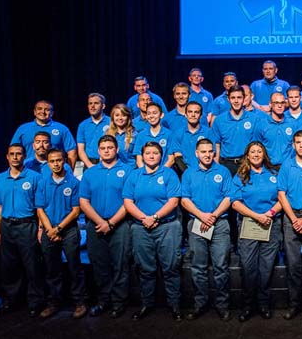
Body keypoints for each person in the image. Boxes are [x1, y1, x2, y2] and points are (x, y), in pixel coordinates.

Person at [123, 141, 182, 321]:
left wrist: (155, 217)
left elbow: (173, 201)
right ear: (142, 155)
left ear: (161, 155)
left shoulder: (169, 174)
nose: (151, 156)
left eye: (155, 153)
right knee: (145, 268)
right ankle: (146, 304)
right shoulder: (134, 176)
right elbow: (128, 202)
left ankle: (175, 305)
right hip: (141, 228)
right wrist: (144, 218)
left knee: (171, 267)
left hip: (166, 227)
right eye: (148, 153)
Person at [79, 135, 133, 319]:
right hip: (95, 226)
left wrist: (111, 223)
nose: (107, 150)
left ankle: (119, 302)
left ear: (117, 149)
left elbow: (129, 202)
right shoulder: (90, 173)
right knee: (99, 265)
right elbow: (84, 202)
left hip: (120, 225)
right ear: (98, 151)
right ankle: (104, 300)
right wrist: (101, 222)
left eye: (110, 147)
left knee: (120, 265)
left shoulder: (127, 171)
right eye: (103, 148)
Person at [180, 138, 233, 321]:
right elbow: (184, 200)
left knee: (221, 267)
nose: (208, 154)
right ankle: (200, 303)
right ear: (196, 154)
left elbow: (229, 198)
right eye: (203, 152)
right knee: (198, 267)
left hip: (219, 225)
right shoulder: (188, 173)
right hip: (197, 223)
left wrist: (213, 216)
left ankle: (222, 305)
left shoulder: (223, 171)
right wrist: (202, 216)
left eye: (210, 151)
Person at [231, 141, 283, 322]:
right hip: (248, 224)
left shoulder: (274, 174)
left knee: (266, 266)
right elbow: (235, 203)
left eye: (259, 151)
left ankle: (263, 304)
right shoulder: (240, 176)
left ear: (264, 154)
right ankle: (247, 305)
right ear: (247, 155)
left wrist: (268, 214)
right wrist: (256, 216)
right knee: (247, 266)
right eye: (252, 152)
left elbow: (282, 199)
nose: (256, 154)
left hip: (271, 223)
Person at [0, 144, 43, 317]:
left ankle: (35, 302)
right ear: (7, 157)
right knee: (9, 266)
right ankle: (11, 300)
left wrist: (40, 228)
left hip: (27, 225)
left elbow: (39, 207)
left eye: (18, 154)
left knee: (32, 266)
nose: (15, 157)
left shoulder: (35, 177)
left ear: (24, 156)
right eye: (12, 154)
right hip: (7, 226)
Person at [36, 148, 86, 319]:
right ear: (48, 163)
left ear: (65, 160)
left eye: (59, 160)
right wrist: (49, 229)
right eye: (52, 161)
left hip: (69, 230)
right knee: (51, 269)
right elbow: (40, 209)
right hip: (49, 230)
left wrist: (58, 229)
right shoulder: (43, 182)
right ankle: (53, 302)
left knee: (74, 267)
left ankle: (79, 302)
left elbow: (76, 210)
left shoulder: (73, 183)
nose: (56, 164)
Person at [277, 131, 302, 319]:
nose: (301, 145)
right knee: (293, 265)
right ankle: (294, 305)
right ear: (293, 145)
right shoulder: (286, 166)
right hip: (291, 218)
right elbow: (281, 195)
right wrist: (293, 219)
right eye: (298, 142)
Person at [11, 100, 77, 167]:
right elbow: (12, 151)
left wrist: (68, 173)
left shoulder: (62, 129)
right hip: (28, 170)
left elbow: (72, 152)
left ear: (52, 113)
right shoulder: (23, 129)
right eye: (39, 109)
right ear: (34, 112)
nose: (43, 112)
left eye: (47, 110)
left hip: (54, 171)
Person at [212, 86, 257, 171]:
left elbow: (256, 144)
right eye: (233, 98)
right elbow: (217, 144)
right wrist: (216, 165)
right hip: (226, 164)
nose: (236, 101)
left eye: (239, 97)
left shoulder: (254, 119)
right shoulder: (219, 120)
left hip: (246, 163)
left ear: (244, 99)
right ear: (228, 99)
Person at [254, 92, 296, 166]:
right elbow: (257, 146)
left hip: (287, 167)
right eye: (276, 103)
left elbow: (295, 147)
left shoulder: (292, 124)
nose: (279, 106)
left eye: (282, 103)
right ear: (270, 104)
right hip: (268, 167)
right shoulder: (261, 124)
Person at [132, 102, 177, 168]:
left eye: (154, 113)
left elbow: (171, 160)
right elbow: (139, 160)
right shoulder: (141, 135)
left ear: (161, 115)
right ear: (146, 116)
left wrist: (160, 173)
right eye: (149, 113)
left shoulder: (169, 134)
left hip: (164, 174)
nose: (151, 116)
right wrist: (146, 174)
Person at [172, 101, 214, 168]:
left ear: (200, 116)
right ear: (185, 115)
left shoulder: (209, 132)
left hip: (205, 172)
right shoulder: (178, 133)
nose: (193, 115)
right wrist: (189, 173)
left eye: (196, 112)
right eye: (190, 112)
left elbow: (212, 154)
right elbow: (178, 157)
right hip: (185, 172)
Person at [76, 93, 110, 169]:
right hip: (88, 163)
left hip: (108, 161)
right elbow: (81, 150)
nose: (92, 106)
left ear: (103, 106)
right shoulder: (83, 125)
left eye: (96, 103)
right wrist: (90, 165)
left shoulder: (111, 122)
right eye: (90, 103)